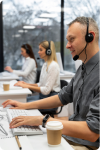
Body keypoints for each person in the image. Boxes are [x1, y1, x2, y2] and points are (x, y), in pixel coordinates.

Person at [2, 16, 100, 150]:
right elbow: (62, 97)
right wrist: (25, 106)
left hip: (88, 145)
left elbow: (93, 132)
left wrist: (43, 120)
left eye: (72, 39)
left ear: (90, 37)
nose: (67, 45)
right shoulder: (83, 68)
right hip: (71, 137)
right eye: (67, 40)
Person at [14, 41, 61, 107]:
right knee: (22, 101)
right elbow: (40, 84)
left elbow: (46, 90)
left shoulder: (53, 66)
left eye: (41, 50)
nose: (38, 52)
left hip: (50, 100)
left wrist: (28, 86)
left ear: (48, 51)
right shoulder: (45, 65)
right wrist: (26, 84)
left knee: (22, 104)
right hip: (43, 97)